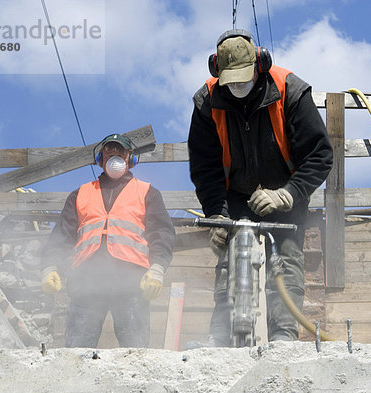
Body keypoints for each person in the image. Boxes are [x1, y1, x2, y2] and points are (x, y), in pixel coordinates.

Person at [188, 29, 333, 345]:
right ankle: (220, 335)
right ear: (218, 71)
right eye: (232, 80)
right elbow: (205, 168)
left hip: (285, 191)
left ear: (261, 63)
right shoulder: (206, 101)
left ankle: (283, 334)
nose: (238, 86)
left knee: (285, 259)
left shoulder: (289, 90)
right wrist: (218, 214)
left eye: (244, 77)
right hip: (235, 194)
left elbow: (320, 155)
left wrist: (288, 194)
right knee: (229, 261)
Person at [41, 133, 175, 348]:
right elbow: (62, 236)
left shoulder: (147, 192)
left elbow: (162, 233)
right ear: (100, 160)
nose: (114, 155)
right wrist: (50, 267)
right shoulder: (80, 194)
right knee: (78, 350)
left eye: (120, 151)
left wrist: (157, 269)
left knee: (135, 350)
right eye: (108, 152)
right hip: (86, 281)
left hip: (131, 281)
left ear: (130, 158)